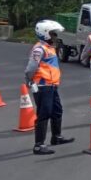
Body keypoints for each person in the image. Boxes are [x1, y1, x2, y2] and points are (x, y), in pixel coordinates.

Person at [25, 20, 74, 155]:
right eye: (53, 34)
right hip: (43, 86)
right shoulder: (39, 49)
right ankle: (38, 145)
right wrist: (28, 80)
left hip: (52, 86)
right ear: (45, 34)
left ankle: (56, 137)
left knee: (57, 111)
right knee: (44, 114)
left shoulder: (49, 47)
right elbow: (31, 68)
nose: (55, 37)